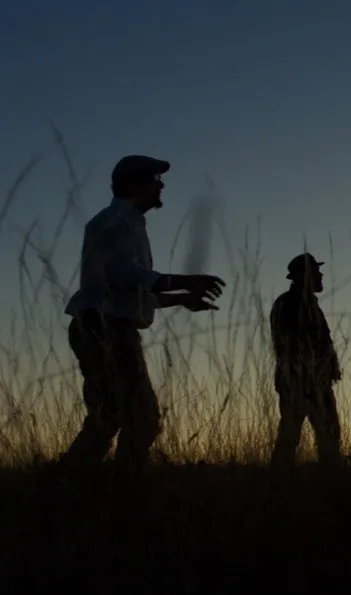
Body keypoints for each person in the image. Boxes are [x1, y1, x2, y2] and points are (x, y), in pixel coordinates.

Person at [60, 154, 227, 478]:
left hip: (109, 326)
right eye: (156, 181)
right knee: (124, 414)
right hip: (103, 328)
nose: (161, 188)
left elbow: (127, 292)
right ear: (137, 184)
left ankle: (91, 485)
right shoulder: (114, 222)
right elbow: (127, 276)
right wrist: (187, 280)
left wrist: (180, 298)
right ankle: (84, 485)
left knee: (123, 415)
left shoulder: (127, 223)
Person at [269, 253, 342, 468]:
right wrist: (310, 375)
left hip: (313, 380)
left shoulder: (306, 304)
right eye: (316, 272)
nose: (321, 276)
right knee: (294, 435)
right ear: (305, 276)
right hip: (300, 380)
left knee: (325, 434)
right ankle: (281, 484)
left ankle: (328, 481)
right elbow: (290, 345)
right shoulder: (290, 304)